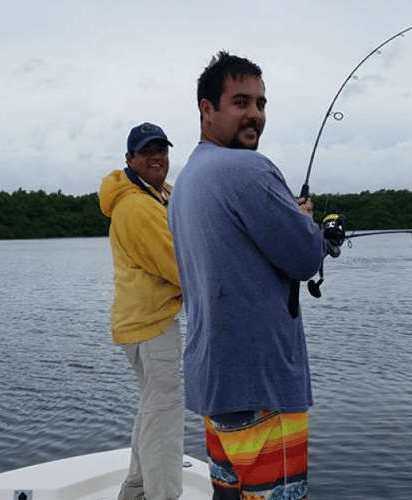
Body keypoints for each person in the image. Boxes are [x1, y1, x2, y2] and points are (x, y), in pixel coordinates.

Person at [168, 51, 329, 499]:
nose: (254, 114)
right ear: (207, 109)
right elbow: (304, 258)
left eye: (260, 103)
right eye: (240, 102)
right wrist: (312, 229)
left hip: (214, 384)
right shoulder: (248, 168)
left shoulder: (186, 183)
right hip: (263, 386)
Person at [99, 122, 184, 500]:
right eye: (147, 151)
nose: (157, 157)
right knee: (164, 414)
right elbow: (179, 266)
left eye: (162, 150)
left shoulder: (156, 193)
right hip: (151, 326)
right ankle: (162, 496)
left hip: (144, 324)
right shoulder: (136, 206)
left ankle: (135, 491)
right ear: (130, 159)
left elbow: (192, 221)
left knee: (153, 406)